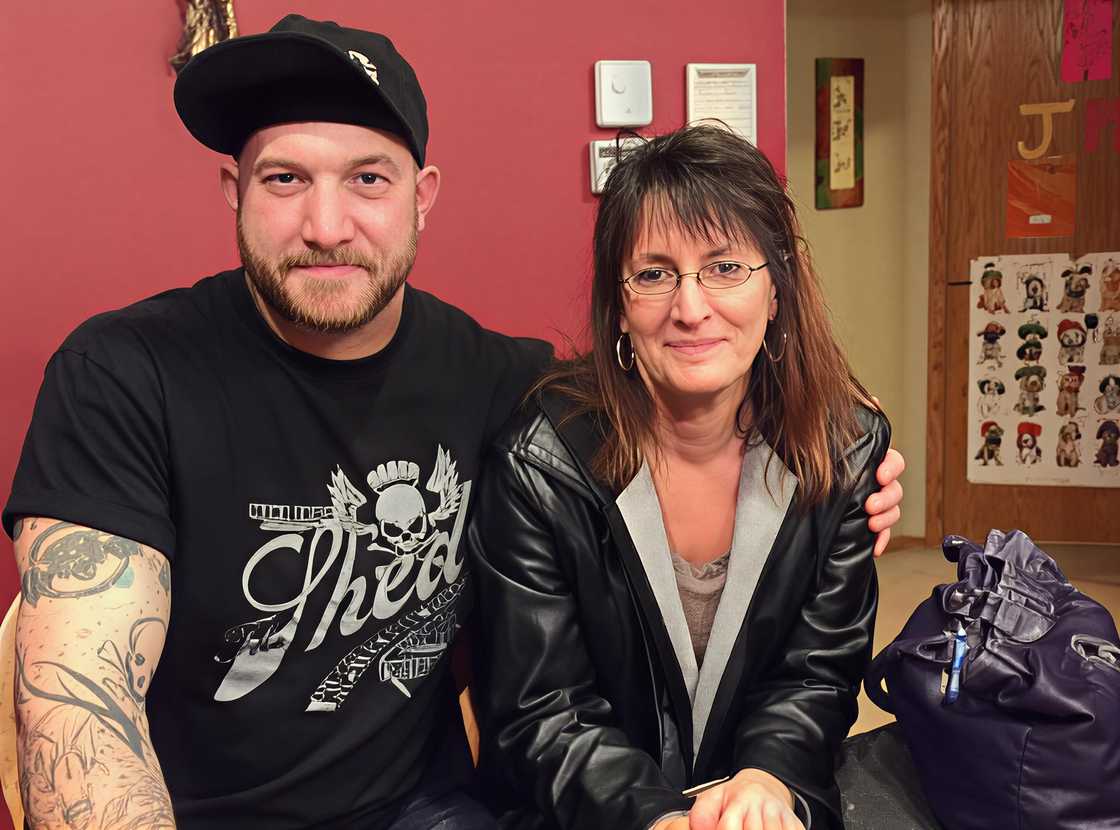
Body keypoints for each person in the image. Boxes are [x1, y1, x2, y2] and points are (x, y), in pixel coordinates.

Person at [2, 15, 905, 830]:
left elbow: (673, 391)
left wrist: (843, 446)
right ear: (231, 188)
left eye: (367, 178)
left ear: (422, 194)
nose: (326, 224)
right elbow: (80, 705)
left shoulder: (503, 384)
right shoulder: (123, 375)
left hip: (423, 811)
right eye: (285, 178)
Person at [469, 125, 891, 830]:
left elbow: (816, 673)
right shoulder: (539, 462)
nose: (690, 309)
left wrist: (768, 779)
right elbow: (542, 712)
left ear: (777, 289)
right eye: (655, 273)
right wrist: (657, 820)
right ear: (620, 307)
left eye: (725, 267)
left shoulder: (844, 452)